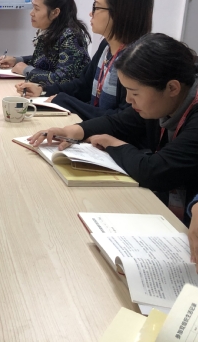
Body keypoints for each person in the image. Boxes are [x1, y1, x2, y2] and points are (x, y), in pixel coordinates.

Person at [30, 33, 198, 224]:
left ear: (172, 88)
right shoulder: (162, 102)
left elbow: (154, 171)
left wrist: (112, 144)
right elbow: (119, 122)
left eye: (135, 93)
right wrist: (74, 131)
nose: (128, 99)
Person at [15, 0, 153, 120]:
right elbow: (83, 85)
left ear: (120, 13)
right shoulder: (106, 46)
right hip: (93, 125)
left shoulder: (137, 61)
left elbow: (123, 120)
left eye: (96, 7)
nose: (90, 13)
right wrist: (43, 89)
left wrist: (65, 101)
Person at [0, 0, 91, 85]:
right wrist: (17, 60)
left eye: (37, 9)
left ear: (55, 12)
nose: (31, 13)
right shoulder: (50, 30)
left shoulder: (71, 37)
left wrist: (26, 70)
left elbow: (63, 79)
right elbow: (44, 59)